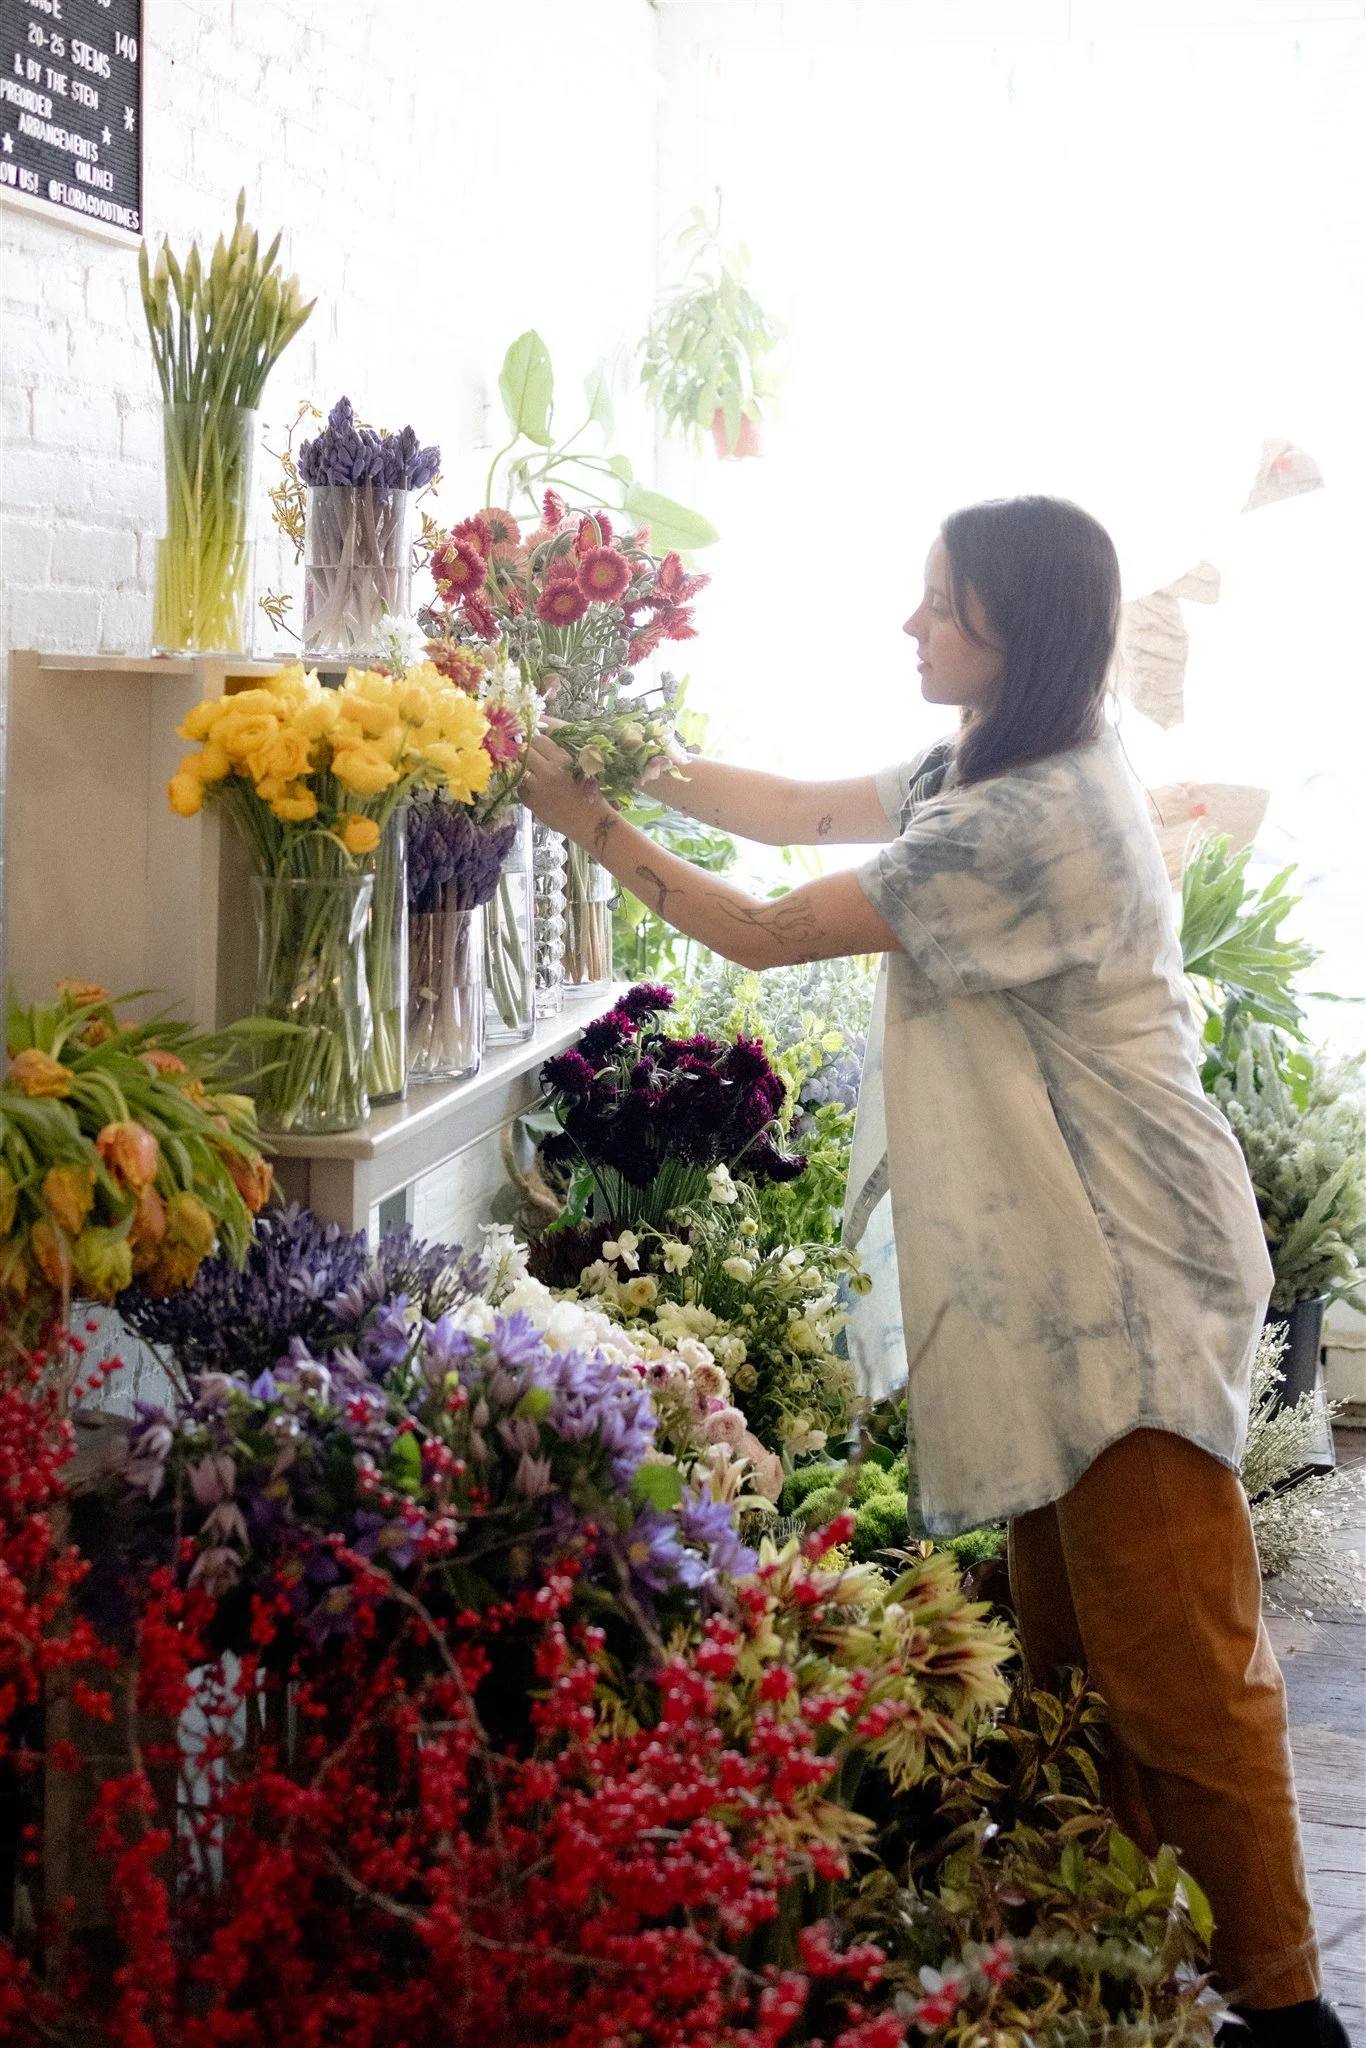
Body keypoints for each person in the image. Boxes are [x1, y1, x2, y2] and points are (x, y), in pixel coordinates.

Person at [521, 494, 1345, 2046]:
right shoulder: (991, 763)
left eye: (939, 604)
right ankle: (1111, 1981)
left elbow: (766, 927)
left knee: (1174, 1673)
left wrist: (588, 820)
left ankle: (1288, 2016)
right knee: (1068, 1668)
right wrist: (603, 741)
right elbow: (777, 806)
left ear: (1011, 633)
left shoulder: (1026, 822)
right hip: (1062, 1278)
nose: (910, 626)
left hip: (1124, 1273)